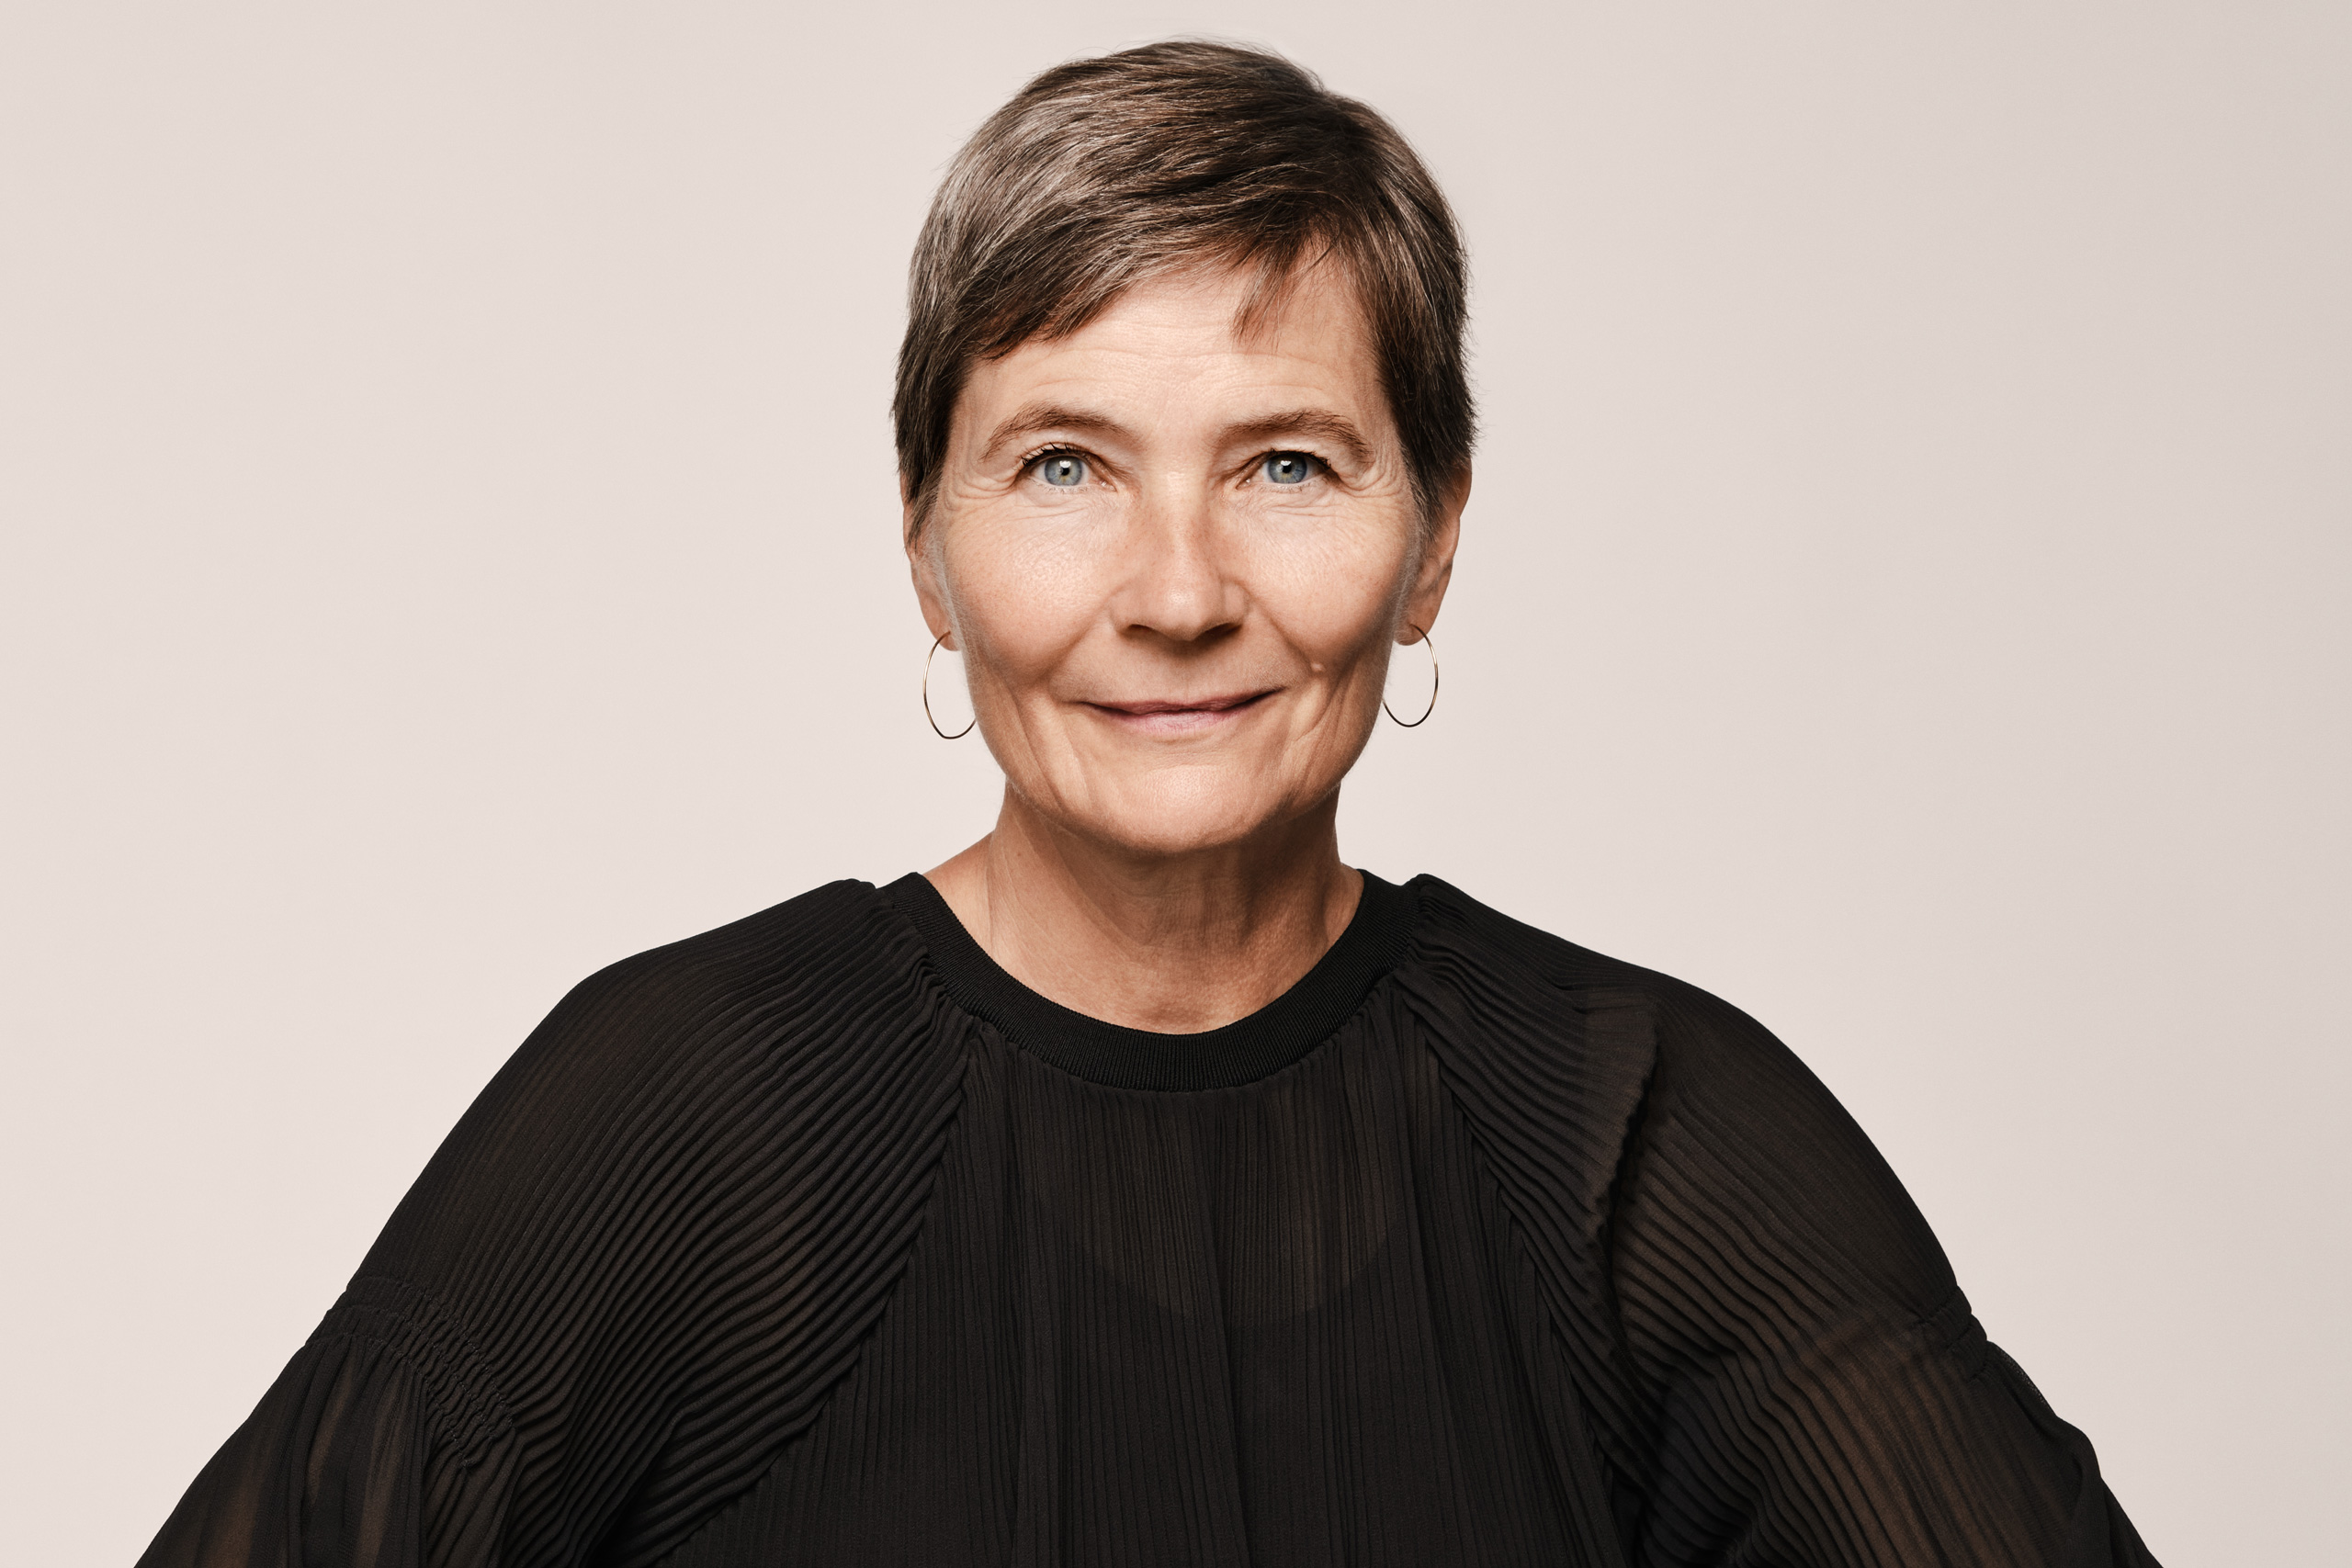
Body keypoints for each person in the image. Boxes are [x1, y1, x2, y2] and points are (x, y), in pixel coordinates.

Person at [141, 40, 2157, 1568]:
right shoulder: (684, 1110)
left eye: (1286, 463)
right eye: (1060, 466)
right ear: (922, 548)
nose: (1179, 592)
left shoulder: (1635, 1134)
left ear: (1433, 537)